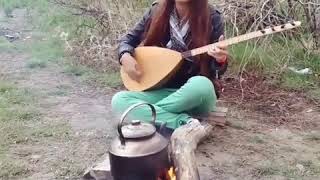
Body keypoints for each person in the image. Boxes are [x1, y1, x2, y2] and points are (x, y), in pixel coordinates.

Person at [111, 0, 229, 131]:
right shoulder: (156, 10)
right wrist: (125, 55)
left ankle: (149, 114)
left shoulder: (212, 16)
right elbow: (127, 41)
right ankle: (185, 122)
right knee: (119, 100)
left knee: (202, 85)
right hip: (161, 90)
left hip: (195, 94)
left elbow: (218, 71)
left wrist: (220, 59)